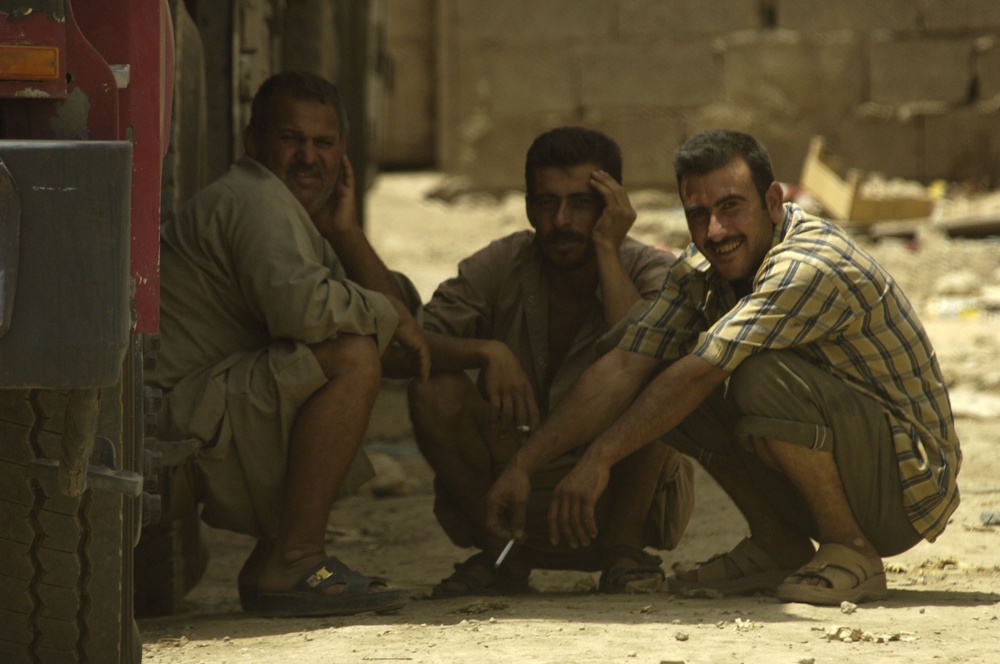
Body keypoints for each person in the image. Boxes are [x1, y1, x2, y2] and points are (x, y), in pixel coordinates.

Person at [485, 129, 961, 606]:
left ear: (774, 202)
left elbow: (705, 369)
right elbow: (628, 362)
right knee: (667, 375)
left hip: (909, 485)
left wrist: (597, 460)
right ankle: (776, 543)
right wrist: (523, 466)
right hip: (859, 462)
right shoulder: (701, 269)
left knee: (750, 374)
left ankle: (851, 551)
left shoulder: (808, 265)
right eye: (698, 214)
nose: (715, 231)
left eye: (731, 206)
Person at [150, 71, 429, 617]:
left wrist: (346, 234)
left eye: (323, 143)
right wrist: (390, 316)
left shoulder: (293, 214)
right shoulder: (256, 198)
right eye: (291, 139)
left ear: (343, 154)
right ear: (253, 143)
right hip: (170, 421)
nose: (308, 157)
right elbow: (306, 312)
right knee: (350, 360)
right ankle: (297, 559)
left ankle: (274, 560)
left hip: (196, 408)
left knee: (358, 347)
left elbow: (404, 342)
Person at [409, 127, 694, 597]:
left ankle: (622, 553)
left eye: (581, 203)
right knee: (433, 389)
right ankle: (502, 558)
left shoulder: (650, 268)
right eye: (546, 202)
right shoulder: (502, 263)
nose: (561, 220)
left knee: (664, 371)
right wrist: (486, 351)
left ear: (612, 206)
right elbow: (408, 345)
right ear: (527, 206)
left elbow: (641, 353)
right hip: (506, 501)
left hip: (610, 487)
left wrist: (606, 249)